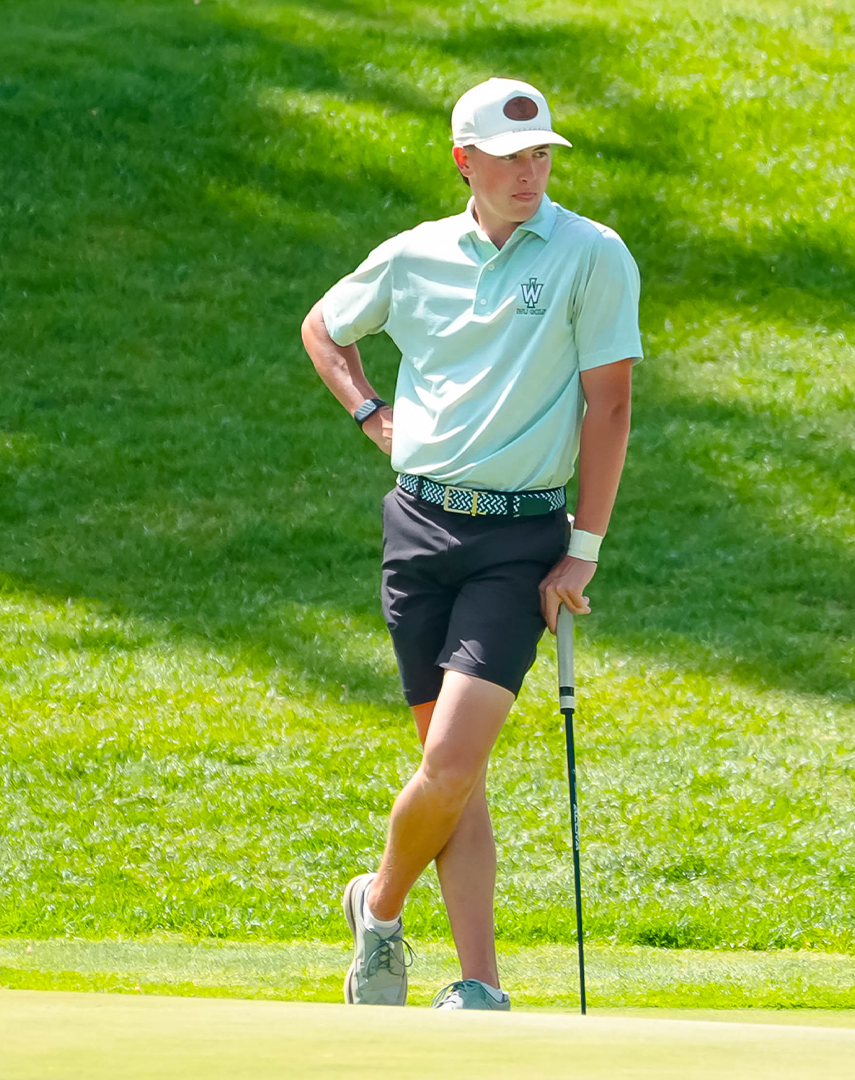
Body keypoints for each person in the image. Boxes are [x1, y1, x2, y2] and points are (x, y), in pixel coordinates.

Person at [299, 77, 642, 1011]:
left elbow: (608, 405)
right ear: (465, 161)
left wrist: (585, 548)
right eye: (510, 155)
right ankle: (480, 984)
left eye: (541, 156)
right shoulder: (412, 257)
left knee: (450, 762)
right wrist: (371, 409)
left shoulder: (590, 256)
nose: (530, 171)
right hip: (418, 525)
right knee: (457, 780)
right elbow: (323, 330)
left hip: (520, 534)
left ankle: (378, 901)